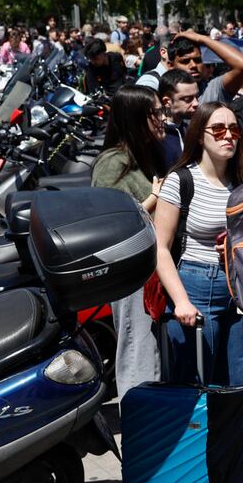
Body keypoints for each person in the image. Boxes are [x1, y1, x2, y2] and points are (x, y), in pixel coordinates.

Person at [154, 103, 243, 386]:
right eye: (218, 129)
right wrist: (181, 301)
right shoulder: (181, 180)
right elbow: (160, 247)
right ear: (199, 136)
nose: (228, 136)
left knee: (237, 381)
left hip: (236, 289)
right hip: (195, 285)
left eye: (234, 129)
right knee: (197, 384)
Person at [91, 86, 168, 397]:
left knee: (154, 354)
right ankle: (139, 417)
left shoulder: (149, 155)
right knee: (139, 351)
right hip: (131, 275)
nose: (164, 118)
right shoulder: (112, 162)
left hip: (154, 270)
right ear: (136, 118)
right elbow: (107, 223)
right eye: (156, 112)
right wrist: (154, 199)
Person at [166, 31, 243, 106]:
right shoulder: (164, 93)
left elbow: (242, 64)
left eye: (198, 60)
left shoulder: (213, 89)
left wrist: (201, 38)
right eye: (185, 61)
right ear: (171, 66)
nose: (193, 65)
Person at [157, 69, 200, 170]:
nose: (196, 103)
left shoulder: (190, 131)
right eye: (187, 99)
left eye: (196, 97)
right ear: (167, 101)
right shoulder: (156, 136)